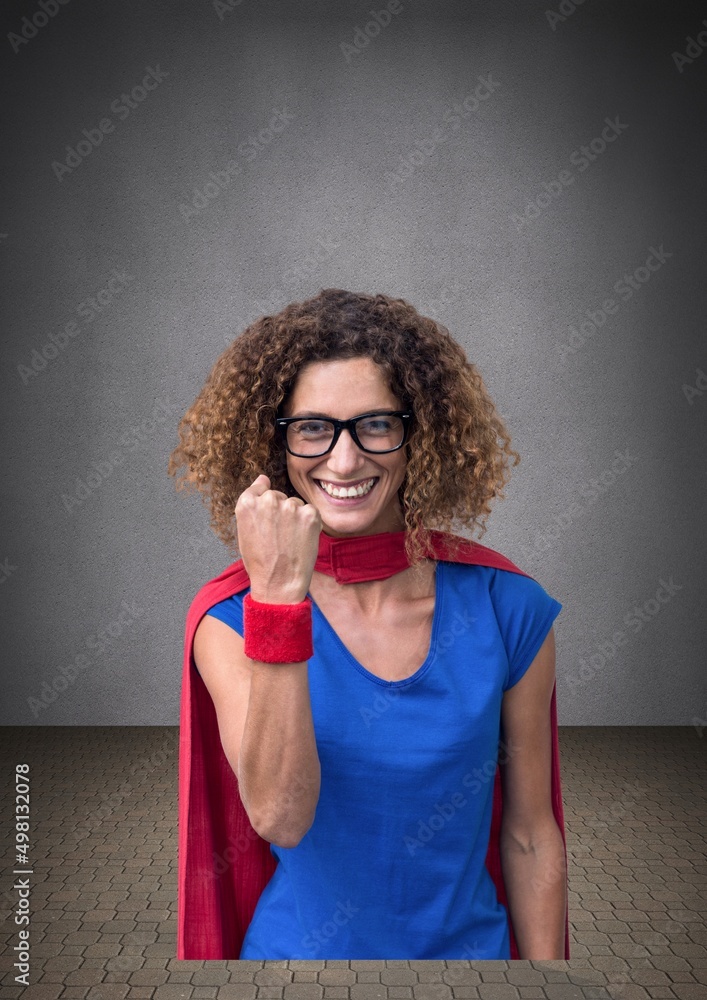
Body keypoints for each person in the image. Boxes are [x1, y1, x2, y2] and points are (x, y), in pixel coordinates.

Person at [168, 287, 569, 961]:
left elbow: (530, 835)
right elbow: (279, 816)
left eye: (376, 424)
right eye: (312, 428)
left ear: (421, 433)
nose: (345, 460)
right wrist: (277, 597)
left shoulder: (508, 605)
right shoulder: (232, 618)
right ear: (275, 441)